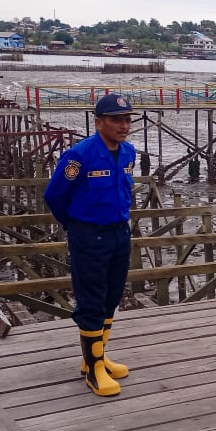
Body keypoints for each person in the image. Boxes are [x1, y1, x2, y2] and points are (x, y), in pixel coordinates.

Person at [44, 93, 137, 398]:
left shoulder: (128, 153)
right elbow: (55, 196)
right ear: (99, 122)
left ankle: (97, 357)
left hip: (119, 233)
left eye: (127, 119)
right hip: (89, 235)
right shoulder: (79, 155)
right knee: (91, 300)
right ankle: (93, 370)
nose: (123, 126)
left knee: (111, 296)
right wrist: (75, 226)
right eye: (116, 120)